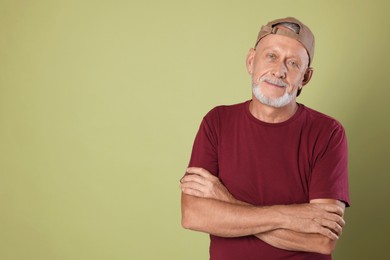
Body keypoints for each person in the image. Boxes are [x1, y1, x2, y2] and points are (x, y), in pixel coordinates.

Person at [180, 17, 350, 260]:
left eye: (292, 63)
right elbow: (194, 215)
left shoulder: (328, 133)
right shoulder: (217, 122)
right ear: (251, 61)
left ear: (305, 77)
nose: (279, 71)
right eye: (271, 56)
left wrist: (227, 202)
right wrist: (289, 217)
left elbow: (322, 241)